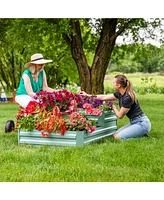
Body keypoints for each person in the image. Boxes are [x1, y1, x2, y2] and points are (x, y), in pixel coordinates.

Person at [81, 74, 151, 139]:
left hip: (142, 123)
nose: (112, 84)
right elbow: (104, 97)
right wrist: (88, 95)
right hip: (134, 122)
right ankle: (140, 134)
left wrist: (113, 107)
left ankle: (142, 135)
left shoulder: (127, 98)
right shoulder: (120, 94)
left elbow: (120, 116)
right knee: (114, 135)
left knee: (117, 138)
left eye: (113, 83)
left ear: (119, 85)